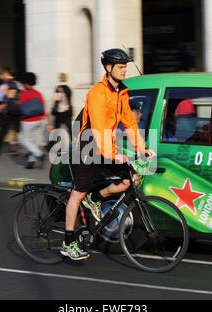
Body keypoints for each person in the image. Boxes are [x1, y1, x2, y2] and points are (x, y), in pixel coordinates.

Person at [60, 48, 156, 260]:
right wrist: (114, 155)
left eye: (125, 67)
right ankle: (68, 242)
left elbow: (129, 123)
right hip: (90, 144)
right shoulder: (97, 93)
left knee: (132, 179)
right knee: (78, 193)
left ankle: (96, 197)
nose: (124, 71)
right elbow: (99, 127)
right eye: (121, 68)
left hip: (106, 146)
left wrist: (141, 148)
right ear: (108, 68)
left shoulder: (121, 92)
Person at [19, 72, 54, 169]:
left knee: (25, 141)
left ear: (25, 83)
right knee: (33, 142)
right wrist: (49, 123)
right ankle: (31, 161)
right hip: (39, 120)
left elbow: (19, 107)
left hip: (27, 121)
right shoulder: (38, 94)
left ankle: (39, 155)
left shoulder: (23, 94)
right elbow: (44, 109)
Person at [0, 67, 24, 156]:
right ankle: (13, 149)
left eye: (3, 74)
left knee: (3, 131)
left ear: (6, 74)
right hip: (18, 110)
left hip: (8, 111)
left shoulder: (3, 86)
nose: (2, 76)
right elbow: (23, 97)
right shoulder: (19, 84)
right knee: (16, 129)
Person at [52, 73, 73, 139]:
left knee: (56, 128)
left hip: (60, 112)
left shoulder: (59, 88)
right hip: (68, 111)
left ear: (60, 79)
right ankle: (73, 142)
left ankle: (51, 144)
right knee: (69, 129)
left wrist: (53, 110)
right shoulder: (69, 89)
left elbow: (57, 100)